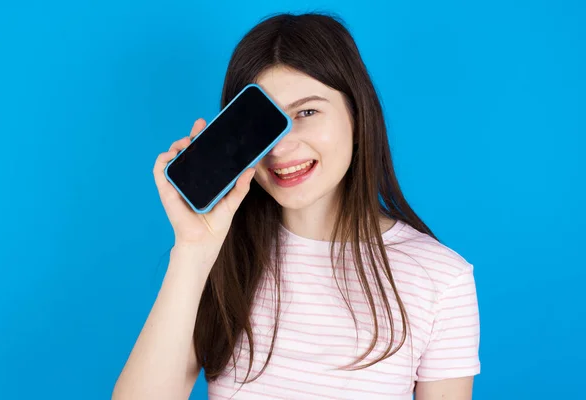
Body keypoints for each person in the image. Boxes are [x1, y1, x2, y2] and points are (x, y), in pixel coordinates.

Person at [113, 12, 480, 400]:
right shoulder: (219, 257)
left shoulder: (441, 279)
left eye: (306, 112)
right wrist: (191, 250)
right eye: (265, 124)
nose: (281, 147)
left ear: (357, 114)